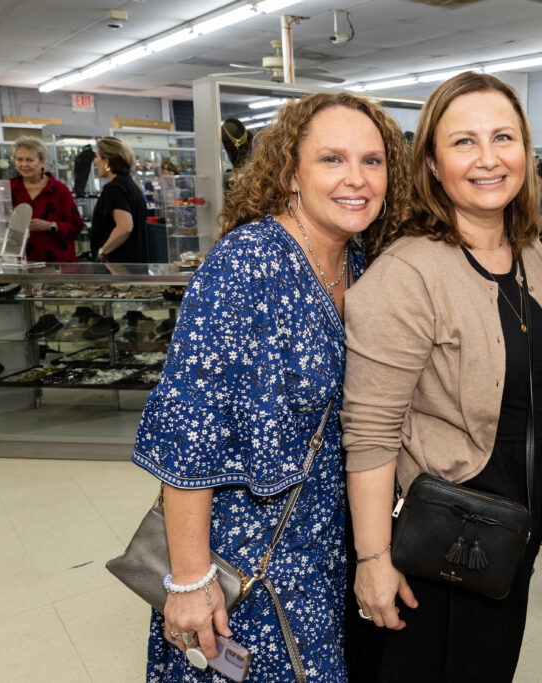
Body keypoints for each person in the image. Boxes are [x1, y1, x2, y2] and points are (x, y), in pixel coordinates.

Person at [131, 92, 410, 682]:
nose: (356, 179)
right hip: (240, 565)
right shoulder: (246, 266)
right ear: (290, 172)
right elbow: (189, 431)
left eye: (372, 161)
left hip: (319, 554)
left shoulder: (357, 262)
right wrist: (190, 578)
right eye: (332, 160)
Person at [342, 71, 542, 682]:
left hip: (507, 543)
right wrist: (372, 559)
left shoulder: (531, 256)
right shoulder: (408, 272)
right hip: (434, 550)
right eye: (464, 142)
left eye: (504, 137)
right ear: (434, 165)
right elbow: (369, 431)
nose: (489, 159)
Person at [9, 136, 85, 262]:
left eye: (29, 160)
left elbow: (76, 226)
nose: (23, 164)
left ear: (42, 162)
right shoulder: (8, 188)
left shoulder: (59, 190)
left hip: (56, 264)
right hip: (18, 264)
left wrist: (50, 226)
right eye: (19, 159)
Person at [91, 136, 148, 262]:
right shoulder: (130, 185)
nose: (95, 161)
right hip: (133, 263)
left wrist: (102, 252)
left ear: (106, 162)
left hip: (119, 264)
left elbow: (125, 227)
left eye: (97, 157)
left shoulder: (114, 188)